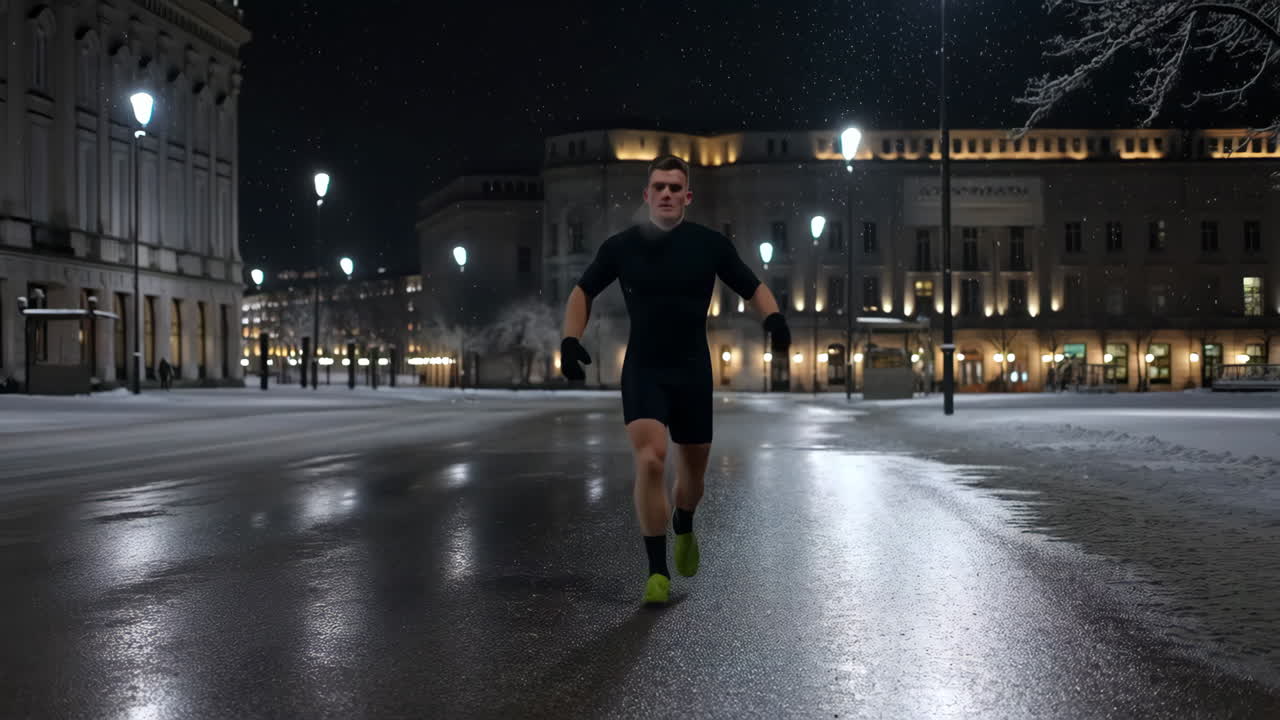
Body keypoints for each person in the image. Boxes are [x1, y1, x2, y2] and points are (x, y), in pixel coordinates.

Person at [559, 155, 791, 605]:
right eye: (658, 187)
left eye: (675, 187)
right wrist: (570, 340)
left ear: (688, 196)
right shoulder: (621, 247)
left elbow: (751, 285)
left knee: (692, 479)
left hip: (692, 370)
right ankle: (656, 572)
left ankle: (684, 521)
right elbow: (582, 291)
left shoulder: (709, 245)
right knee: (650, 460)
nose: (666, 194)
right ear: (647, 195)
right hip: (644, 366)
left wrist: (775, 318)